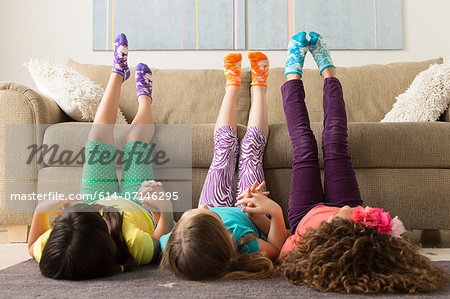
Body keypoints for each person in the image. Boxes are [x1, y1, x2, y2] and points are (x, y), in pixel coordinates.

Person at [270, 31, 448, 293]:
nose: (351, 215)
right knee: (334, 142)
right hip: (344, 198)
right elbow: (377, 235)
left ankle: (292, 73)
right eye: (354, 221)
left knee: (304, 147)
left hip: (304, 215)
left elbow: (281, 243)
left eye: (349, 218)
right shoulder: (357, 220)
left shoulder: (297, 251)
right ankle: (327, 70)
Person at [27, 33, 174, 280]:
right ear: (104, 230)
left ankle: (117, 73)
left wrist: (41, 210)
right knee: (135, 143)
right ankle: (145, 100)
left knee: (97, 140)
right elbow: (161, 242)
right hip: (137, 205)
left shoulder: (58, 249)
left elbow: (32, 248)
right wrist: (165, 210)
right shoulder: (134, 243)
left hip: (97, 197)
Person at [159, 52, 289, 281]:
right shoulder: (242, 243)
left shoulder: (177, 244)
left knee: (224, 149)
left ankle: (232, 85)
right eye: (200, 213)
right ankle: (259, 86)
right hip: (246, 212)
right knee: (251, 149)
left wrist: (161, 208)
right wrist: (272, 213)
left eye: (188, 215)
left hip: (225, 206)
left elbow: (160, 236)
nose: (204, 207)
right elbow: (276, 249)